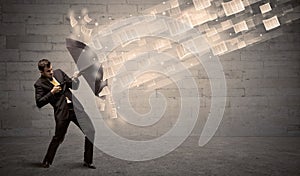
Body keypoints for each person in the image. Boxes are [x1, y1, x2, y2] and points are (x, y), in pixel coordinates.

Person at [34, 59, 96, 169]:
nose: (51, 72)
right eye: (48, 71)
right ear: (41, 72)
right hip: (62, 112)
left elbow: (73, 86)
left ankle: (88, 161)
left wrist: (75, 78)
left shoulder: (59, 73)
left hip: (75, 108)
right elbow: (39, 102)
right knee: (58, 138)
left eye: (51, 69)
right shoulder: (39, 84)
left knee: (91, 131)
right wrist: (52, 92)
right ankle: (47, 161)